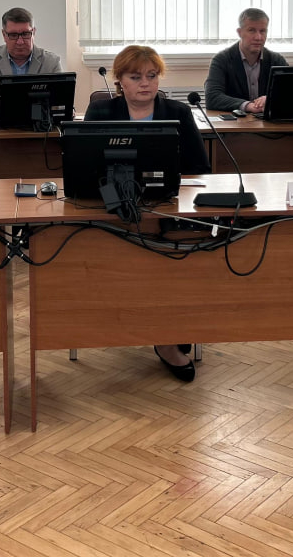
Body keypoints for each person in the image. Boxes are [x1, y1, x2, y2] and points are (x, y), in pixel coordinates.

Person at [84, 44, 211, 382]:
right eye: (135, 76)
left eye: (152, 76)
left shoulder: (178, 112)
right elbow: (85, 167)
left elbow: (200, 167)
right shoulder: (101, 111)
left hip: (168, 208)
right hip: (114, 210)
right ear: (119, 80)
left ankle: (168, 336)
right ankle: (147, 328)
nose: (145, 83)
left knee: (175, 262)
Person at [0, 7, 62, 124]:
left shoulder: (51, 62)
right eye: (13, 35)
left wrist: (66, 109)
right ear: (4, 35)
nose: (20, 41)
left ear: (34, 32)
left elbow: (61, 100)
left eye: (25, 34)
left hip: (40, 127)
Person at [204, 8, 289, 113]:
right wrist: (247, 106)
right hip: (235, 122)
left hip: (268, 121)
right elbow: (212, 97)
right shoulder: (222, 60)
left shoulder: (276, 61)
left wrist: (271, 99)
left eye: (263, 31)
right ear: (239, 32)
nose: (258, 37)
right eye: (252, 30)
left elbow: (292, 93)